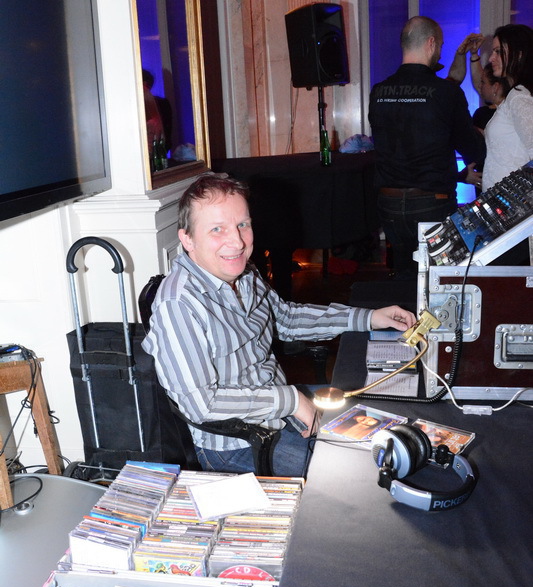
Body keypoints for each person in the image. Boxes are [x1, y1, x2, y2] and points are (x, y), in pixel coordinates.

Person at [142, 173, 417, 477]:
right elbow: (201, 404)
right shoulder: (178, 305)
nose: (237, 242)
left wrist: (369, 317)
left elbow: (286, 319)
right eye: (217, 229)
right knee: (358, 470)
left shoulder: (244, 273)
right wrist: (291, 401)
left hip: (280, 406)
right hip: (239, 445)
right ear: (187, 239)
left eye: (243, 225)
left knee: (390, 411)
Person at [368, 16, 485, 278]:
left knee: (404, 276)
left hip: (389, 205)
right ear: (431, 43)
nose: (440, 52)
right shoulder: (446, 93)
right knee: (437, 282)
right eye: (440, 46)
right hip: (432, 203)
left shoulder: (379, 92)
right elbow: (473, 151)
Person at [482, 23, 533, 191]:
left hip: (513, 201)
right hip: (505, 200)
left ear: (519, 54)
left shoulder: (519, 96)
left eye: (498, 51)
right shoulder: (515, 95)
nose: (491, 58)